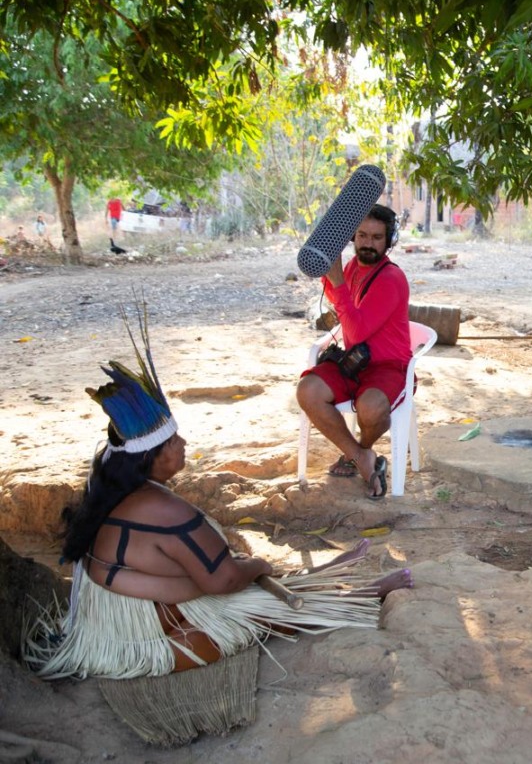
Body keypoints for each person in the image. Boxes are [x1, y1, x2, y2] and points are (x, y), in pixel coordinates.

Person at [24, 305, 413, 681]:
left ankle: (324, 579)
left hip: (116, 622)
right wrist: (258, 567)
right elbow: (222, 581)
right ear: (151, 458)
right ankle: (356, 597)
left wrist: (217, 575)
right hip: (140, 637)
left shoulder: (110, 488)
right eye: (173, 441)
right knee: (256, 609)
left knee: (240, 582)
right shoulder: (162, 509)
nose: (183, 443)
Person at [297, 204, 411, 499]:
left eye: (376, 237)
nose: (368, 243)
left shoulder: (391, 278)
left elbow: (358, 329)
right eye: (362, 235)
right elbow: (339, 300)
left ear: (389, 241)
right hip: (354, 362)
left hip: (387, 366)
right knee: (308, 390)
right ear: (353, 236)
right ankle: (361, 456)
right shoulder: (351, 268)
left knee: (372, 407)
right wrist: (327, 272)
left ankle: (361, 447)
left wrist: (336, 282)